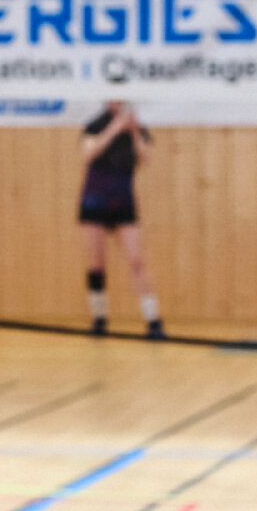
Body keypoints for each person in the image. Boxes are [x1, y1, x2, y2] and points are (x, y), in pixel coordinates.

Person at [78, 101, 164, 339]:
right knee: (96, 264)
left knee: (137, 261)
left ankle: (153, 319)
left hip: (123, 200)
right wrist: (114, 128)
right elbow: (88, 152)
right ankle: (99, 318)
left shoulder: (137, 128)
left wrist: (133, 131)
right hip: (94, 200)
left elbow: (144, 158)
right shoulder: (96, 125)